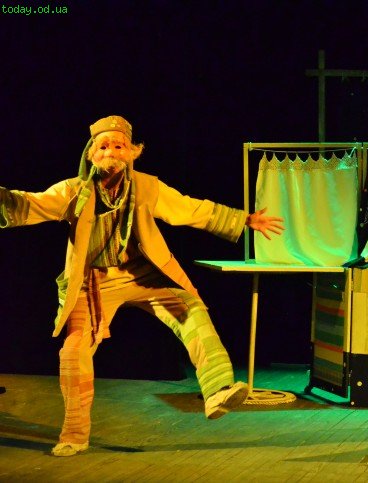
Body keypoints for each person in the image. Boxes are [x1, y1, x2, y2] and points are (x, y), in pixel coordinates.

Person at [0, 115, 284, 457]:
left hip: (144, 275)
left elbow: (188, 208)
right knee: (73, 352)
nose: (111, 151)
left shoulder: (148, 188)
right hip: (94, 281)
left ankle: (218, 390)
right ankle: (74, 433)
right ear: (91, 154)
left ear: (132, 152)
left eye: (119, 145)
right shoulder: (73, 192)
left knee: (191, 311)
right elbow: (32, 203)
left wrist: (244, 219)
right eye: (103, 146)